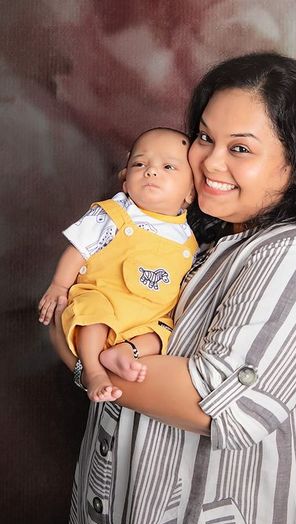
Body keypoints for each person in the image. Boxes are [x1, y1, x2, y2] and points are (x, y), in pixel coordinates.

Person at [49, 52, 296, 524]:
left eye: (241, 148)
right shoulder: (198, 243)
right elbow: (74, 308)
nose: (211, 161)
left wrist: (86, 359)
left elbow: (215, 403)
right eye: (206, 138)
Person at [40, 127, 197, 401]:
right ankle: (94, 371)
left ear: (190, 193)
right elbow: (78, 249)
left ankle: (125, 352)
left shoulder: (189, 241)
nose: (151, 171)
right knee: (93, 313)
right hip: (104, 299)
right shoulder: (114, 214)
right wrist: (60, 285)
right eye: (139, 164)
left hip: (146, 318)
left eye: (168, 166)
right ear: (125, 182)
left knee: (165, 333)